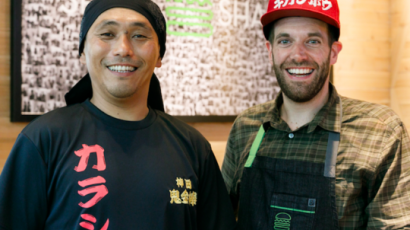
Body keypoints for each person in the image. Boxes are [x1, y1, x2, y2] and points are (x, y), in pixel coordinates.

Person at [0, 0, 236, 229]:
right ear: (83, 51)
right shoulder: (43, 139)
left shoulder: (194, 147)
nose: (123, 48)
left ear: (160, 56)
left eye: (139, 36)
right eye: (107, 34)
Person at [221, 0, 410, 229]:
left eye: (312, 41)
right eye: (285, 41)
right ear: (270, 51)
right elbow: (219, 219)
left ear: (333, 52)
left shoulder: (380, 133)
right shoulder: (246, 127)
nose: (298, 55)